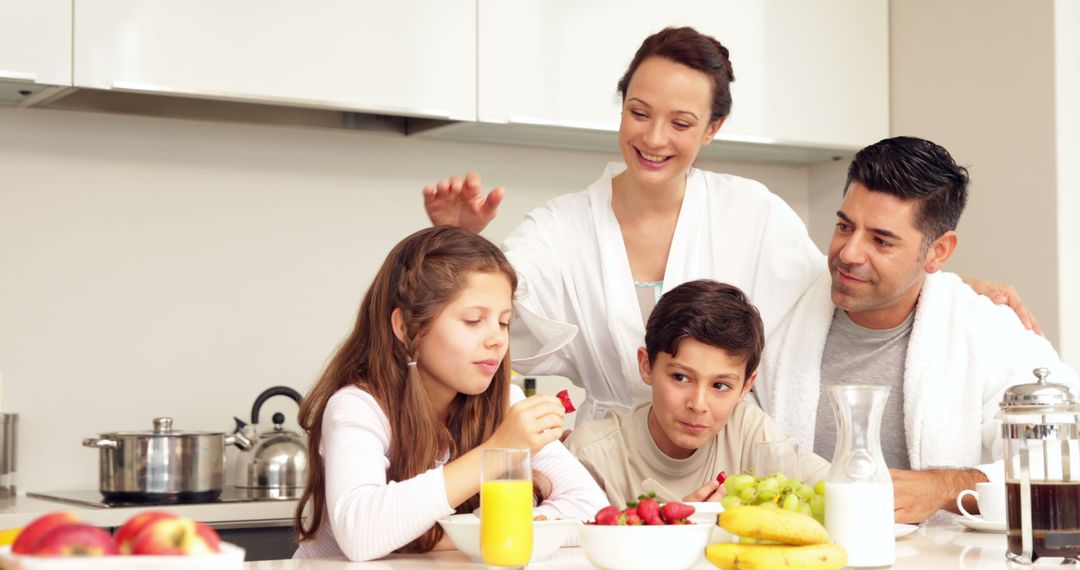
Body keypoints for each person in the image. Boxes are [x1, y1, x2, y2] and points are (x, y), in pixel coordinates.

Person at [422, 27, 1038, 426]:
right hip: (603, 465)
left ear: (712, 129)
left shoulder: (753, 213)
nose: (654, 138)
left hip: (723, 469)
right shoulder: (559, 227)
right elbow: (483, 315)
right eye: (638, 113)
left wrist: (954, 287)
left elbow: (842, 283)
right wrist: (456, 244)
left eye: (681, 123)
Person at [755, 136, 1078, 524]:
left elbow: (1066, 456)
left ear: (938, 252)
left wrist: (943, 488)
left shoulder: (991, 332)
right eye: (844, 226)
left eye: (881, 240)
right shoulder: (778, 315)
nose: (849, 253)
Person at [292, 227, 607, 561]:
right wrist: (500, 448)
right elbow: (361, 534)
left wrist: (456, 533)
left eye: (503, 322)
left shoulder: (505, 403)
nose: (497, 339)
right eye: (473, 321)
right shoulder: (358, 406)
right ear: (406, 327)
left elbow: (592, 511)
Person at [565, 280, 829, 508]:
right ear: (647, 366)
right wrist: (677, 531)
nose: (698, 404)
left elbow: (839, 490)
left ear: (746, 386)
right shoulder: (591, 454)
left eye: (720, 386)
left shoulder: (750, 431)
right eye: (680, 377)